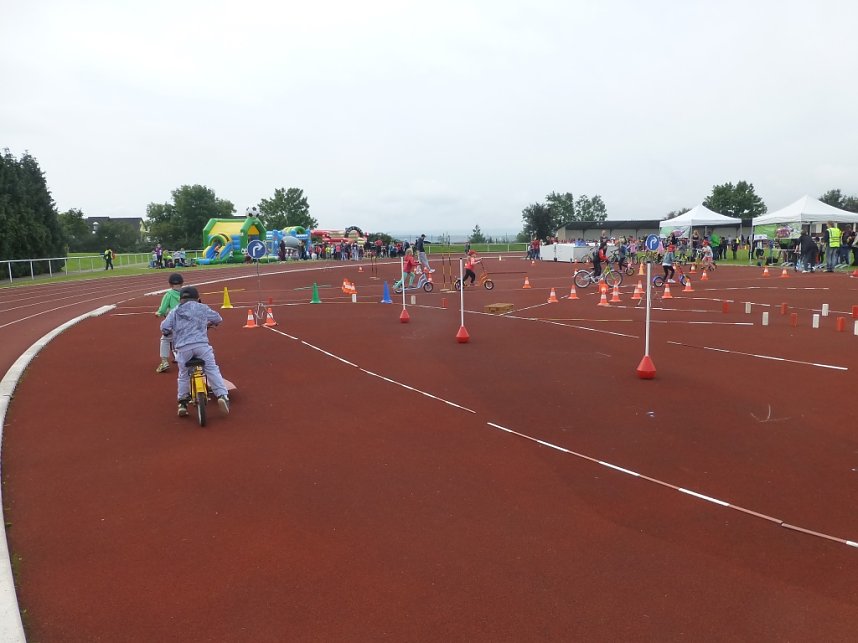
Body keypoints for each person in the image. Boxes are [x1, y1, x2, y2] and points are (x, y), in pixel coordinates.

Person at [160, 286, 230, 417]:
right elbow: (218, 318)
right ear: (197, 298)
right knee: (211, 369)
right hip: (201, 346)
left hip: (183, 348)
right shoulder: (202, 308)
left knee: (183, 374)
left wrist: (168, 331)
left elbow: (164, 327)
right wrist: (209, 323)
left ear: (181, 299)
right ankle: (222, 395)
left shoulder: (175, 311)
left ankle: (182, 402)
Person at [155, 273, 184, 373]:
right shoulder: (186, 293)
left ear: (170, 285)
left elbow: (163, 309)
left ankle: (164, 361)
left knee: (165, 339)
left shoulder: (168, 294)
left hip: (173, 322)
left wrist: (158, 313)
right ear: (182, 283)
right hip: (186, 322)